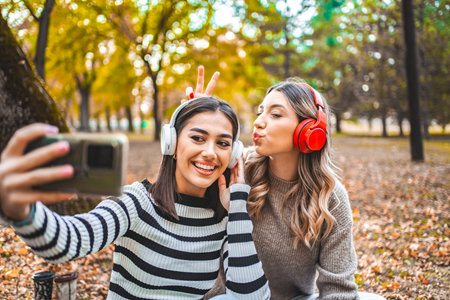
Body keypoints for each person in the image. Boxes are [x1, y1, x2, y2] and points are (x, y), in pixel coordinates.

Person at [0, 97, 270, 299]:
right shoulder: (136, 202)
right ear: (172, 144)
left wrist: (237, 210)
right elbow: (67, 241)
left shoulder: (225, 220)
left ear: (233, 155)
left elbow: (252, 297)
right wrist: (22, 210)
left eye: (223, 143)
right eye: (198, 138)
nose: (211, 152)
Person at [189, 67, 385, 300]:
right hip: (233, 297)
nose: (259, 122)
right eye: (260, 112)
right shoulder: (237, 170)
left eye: (275, 114)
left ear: (310, 131)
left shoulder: (330, 197)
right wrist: (194, 122)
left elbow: (339, 289)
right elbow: (182, 191)